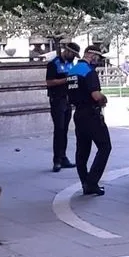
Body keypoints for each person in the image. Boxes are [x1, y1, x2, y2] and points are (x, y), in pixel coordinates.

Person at [67, 45, 111, 196]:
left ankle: (85, 182)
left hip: (78, 114)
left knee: (82, 151)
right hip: (91, 114)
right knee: (105, 146)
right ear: (91, 55)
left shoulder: (72, 71)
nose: (98, 61)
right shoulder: (89, 72)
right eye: (98, 58)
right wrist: (104, 99)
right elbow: (96, 96)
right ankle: (92, 183)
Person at [46, 42, 78, 173]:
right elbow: (49, 82)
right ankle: (57, 160)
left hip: (67, 100)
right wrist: (66, 80)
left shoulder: (71, 64)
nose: (74, 57)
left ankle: (63, 157)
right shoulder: (53, 64)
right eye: (73, 54)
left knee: (64, 130)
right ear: (67, 51)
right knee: (58, 129)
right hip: (57, 99)